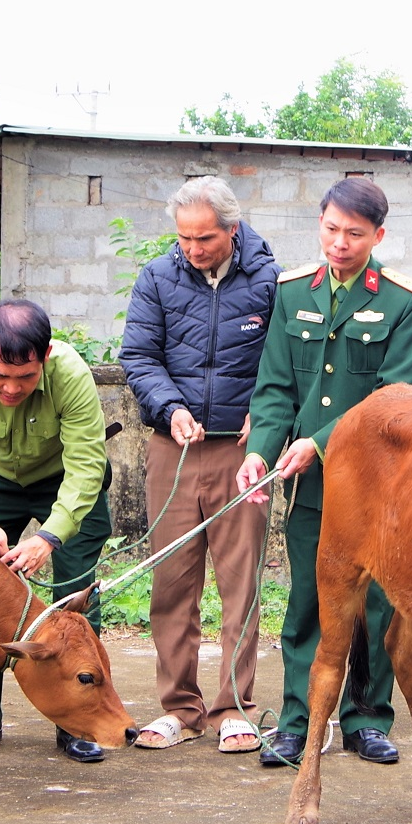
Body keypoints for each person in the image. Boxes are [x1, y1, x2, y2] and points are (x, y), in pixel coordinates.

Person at [236, 177, 412, 768]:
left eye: (354, 233)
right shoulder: (293, 291)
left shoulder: (404, 299)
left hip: (374, 484)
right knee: (306, 603)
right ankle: (299, 722)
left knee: (373, 606)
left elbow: (390, 394)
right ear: (319, 222)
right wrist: (261, 452)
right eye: (330, 229)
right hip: (311, 487)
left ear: (378, 235)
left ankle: (367, 720)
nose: (339, 243)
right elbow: (274, 386)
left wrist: (318, 443)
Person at [119, 177, 280, 753]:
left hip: (243, 450)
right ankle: (178, 708)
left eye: (205, 237)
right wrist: (170, 406)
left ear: (233, 230)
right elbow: (138, 355)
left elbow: (283, 363)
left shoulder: (269, 280)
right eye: (184, 238)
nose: (193, 249)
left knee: (239, 582)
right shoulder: (157, 278)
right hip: (176, 446)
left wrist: (263, 419)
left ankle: (233, 709)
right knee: (173, 580)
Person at [0, 298, 114, 764]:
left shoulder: (70, 375)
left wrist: (50, 536)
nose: (12, 388)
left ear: (45, 356)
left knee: (76, 601)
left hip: (66, 481)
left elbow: (87, 463)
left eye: (26, 377)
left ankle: (78, 723)